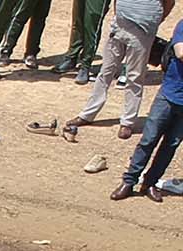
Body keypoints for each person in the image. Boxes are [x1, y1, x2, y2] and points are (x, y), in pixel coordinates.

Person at [60, 0, 168, 136]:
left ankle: (127, 123)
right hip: (119, 28)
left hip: (143, 31)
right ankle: (87, 115)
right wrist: (119, 16)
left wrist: (153, 21)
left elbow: (169, 3)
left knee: (134, 77)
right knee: (105, 72)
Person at [111, 39, 183, 198]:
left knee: (171, 145)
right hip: (168, 96)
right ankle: (129, 182)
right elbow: (180, 53)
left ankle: (150, 183)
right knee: (148, 140)